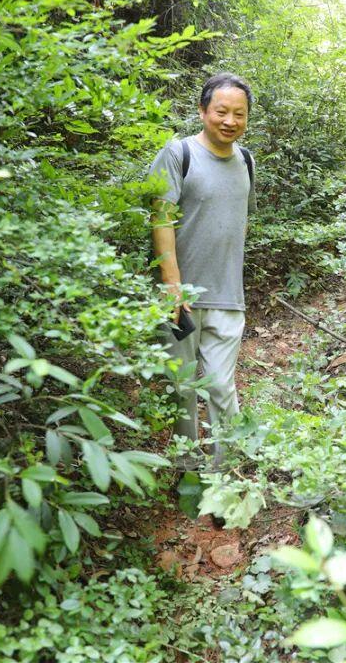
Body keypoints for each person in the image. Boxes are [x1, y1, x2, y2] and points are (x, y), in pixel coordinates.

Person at [148, 72, 256, 470]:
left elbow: (238, 221)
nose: (229, 121)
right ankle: (186, 471)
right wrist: (172, 286)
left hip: (229, 296)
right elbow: (160, 219)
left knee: (221, 389)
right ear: (202, 111)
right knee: (183, 390)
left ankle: (225, 476)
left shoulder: (246, 160)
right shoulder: (178, 154)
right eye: (221, 111)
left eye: (238, 114)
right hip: (183, 298)